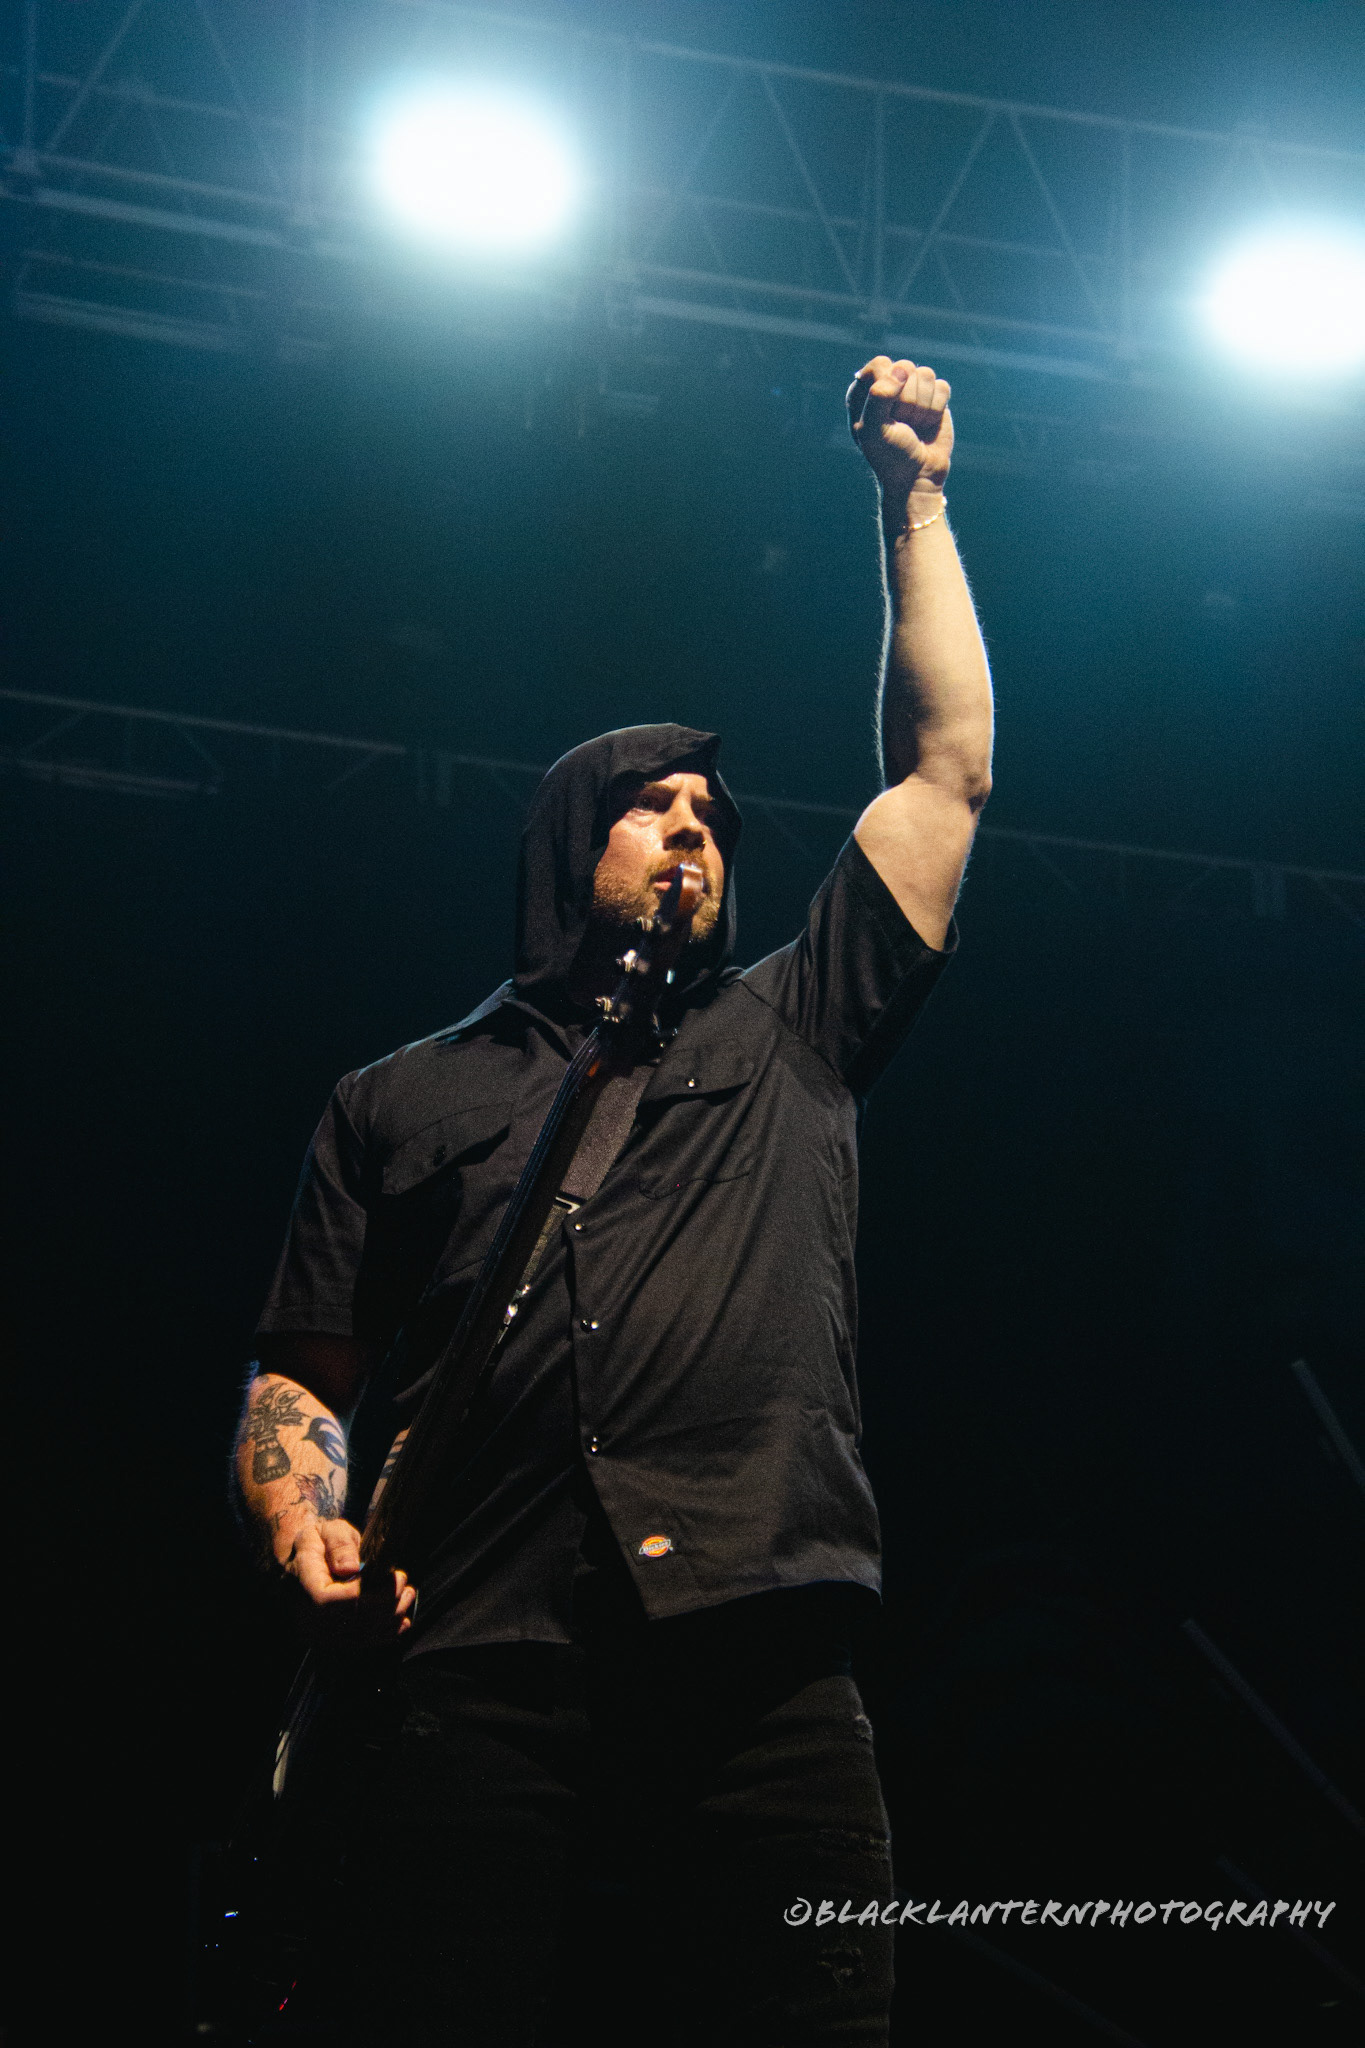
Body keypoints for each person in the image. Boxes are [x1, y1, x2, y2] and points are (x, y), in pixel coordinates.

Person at [233, 358, 993, 2046]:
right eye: (652, 809)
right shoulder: (400, 1097)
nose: (692, 833)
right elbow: (302, 1370)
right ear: (567, 842)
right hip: (470, 1656)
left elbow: (942, 774)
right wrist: (302, 1526)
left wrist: (914, 501)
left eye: (712, 817)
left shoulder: (793, 1025)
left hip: (754, 1655)